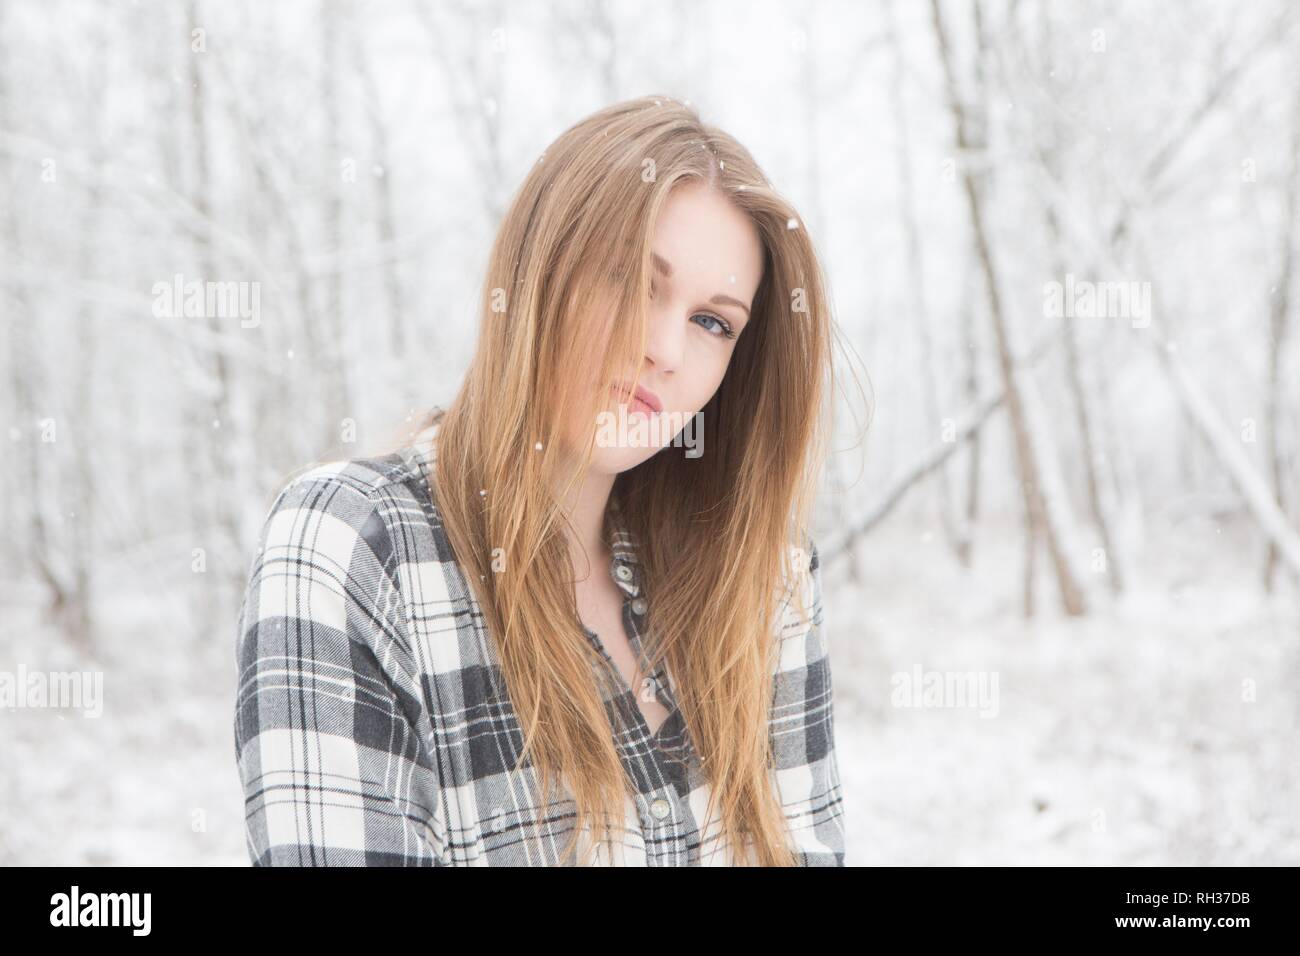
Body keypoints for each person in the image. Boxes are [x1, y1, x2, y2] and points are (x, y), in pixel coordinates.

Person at [233, 94, 847, 866]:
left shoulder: (765, 585)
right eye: (632, 280)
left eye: (712, 322)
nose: (664, 347)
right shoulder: (352, 545)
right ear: (538, 267)